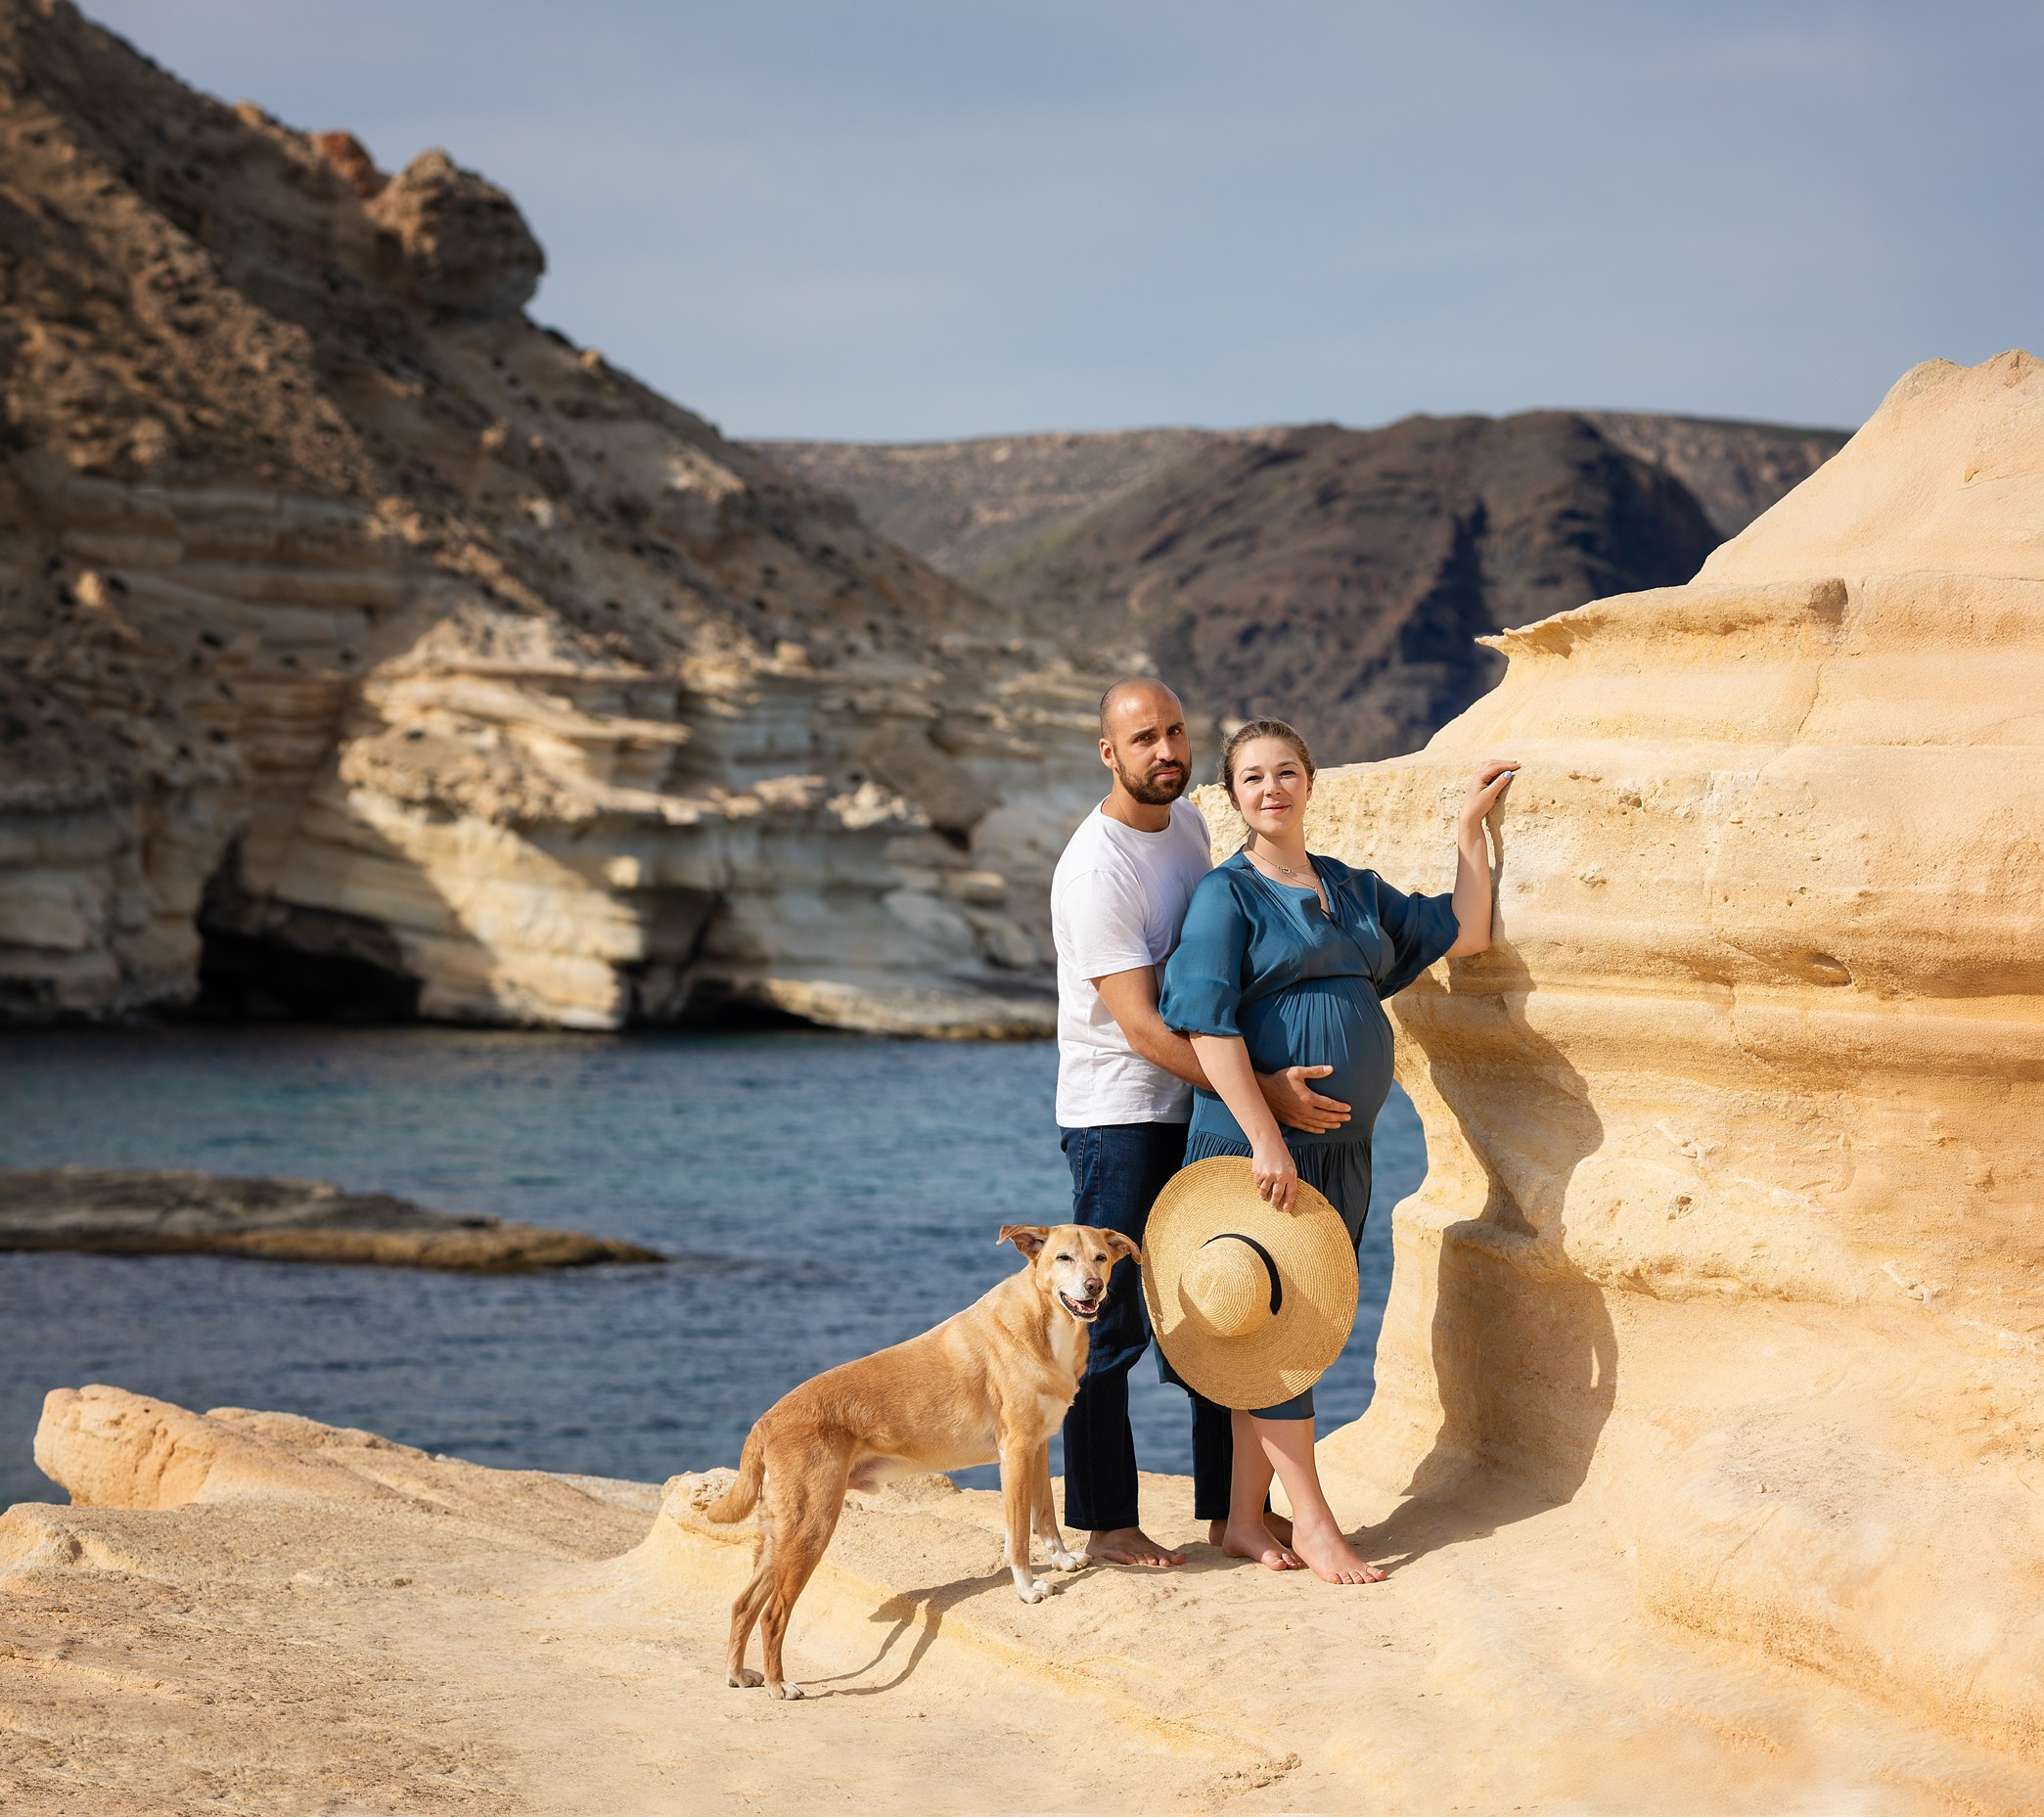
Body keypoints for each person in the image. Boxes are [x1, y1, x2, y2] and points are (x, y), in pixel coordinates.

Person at [1157, 717, 1515, 1582]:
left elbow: (1464, 932)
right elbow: (1206, 1025)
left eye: (1285, 772)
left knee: (1279, 1324)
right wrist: (1265, 1135)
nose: (1271, 789)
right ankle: (1312, 1523)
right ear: (1234, 797)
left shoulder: (1352, 888)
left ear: (1310, 784)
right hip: (1257, 1153)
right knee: (1285, 1327)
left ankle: (1243, 1517)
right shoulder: (1225, 896)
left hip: (1341, 1152)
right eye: (1251, 779)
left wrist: (1468, 832)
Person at [1050, 680, 1354, 1567]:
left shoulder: (1185, 823)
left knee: (1221, 1300)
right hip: (1119, 1116)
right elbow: (1143, 1027)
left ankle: (1231, 1515)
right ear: (1108, 753)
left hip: (1195, 1106)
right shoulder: (1095, 866)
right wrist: (1261, 1094)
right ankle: (1107, 1521)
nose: (1165, 750)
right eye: (1143, 737)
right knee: (1111, 1324)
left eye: (1175, 731)